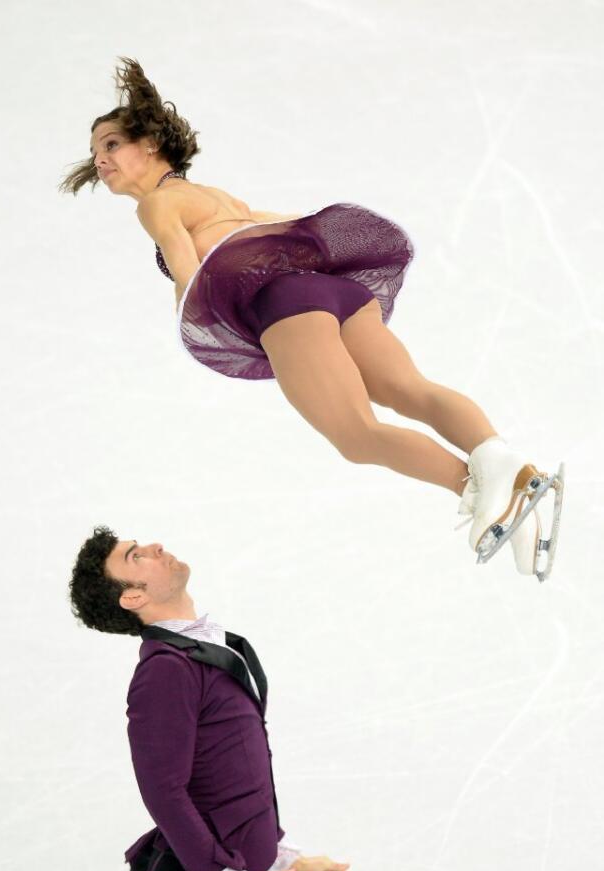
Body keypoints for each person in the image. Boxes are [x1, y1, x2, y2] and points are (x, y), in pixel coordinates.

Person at [60, 58, 563, 578]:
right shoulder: (218, 198)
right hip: (336, 292)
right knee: (409, 388)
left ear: (149, 143)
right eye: (95, 151)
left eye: (112, 144)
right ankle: (506, 466)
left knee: (356, 435)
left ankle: (482, 494)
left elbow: (194, 280)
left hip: (287, 306)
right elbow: (289, 227)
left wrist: (198, 327)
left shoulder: (158, 204)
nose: (100, 159)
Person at [69, 526, 357, 871]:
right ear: (132, 597)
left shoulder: (204, 649)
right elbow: (163, 789)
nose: (154, 546)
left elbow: (231, 773)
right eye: (135, 556)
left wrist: (281, 860)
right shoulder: (166, 670)